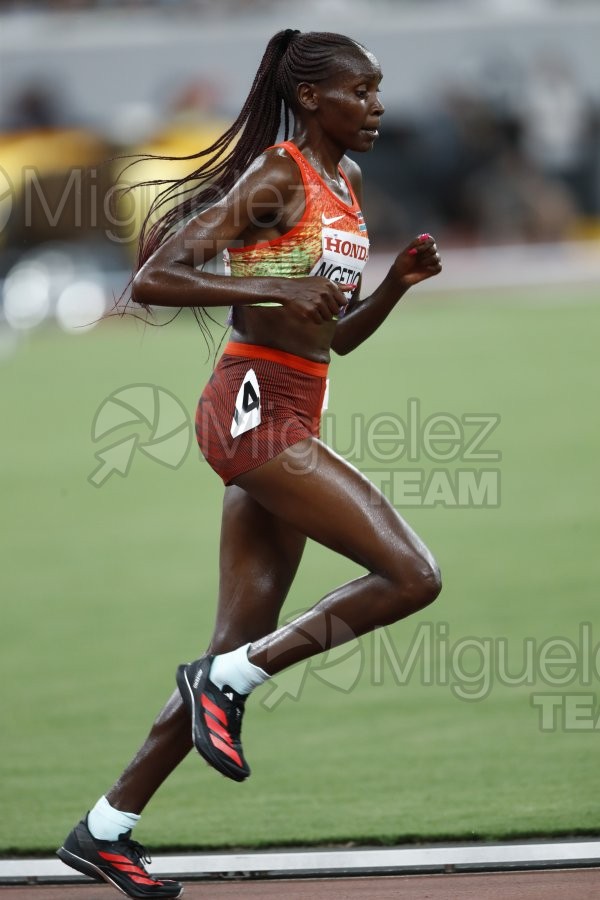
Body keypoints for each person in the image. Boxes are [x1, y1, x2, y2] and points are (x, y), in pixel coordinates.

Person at [57, 29, 443, 900]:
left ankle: (105, 827)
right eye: (362, 91)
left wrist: (395, 286)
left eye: (379, 91)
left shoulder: (345, 184)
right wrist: (270, 289)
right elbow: (154, 277)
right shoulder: (280, 176)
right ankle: (223, 683)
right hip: (254, 415)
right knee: (412, 575)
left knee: (234, 647)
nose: (377, 105)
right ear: (312, 98)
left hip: (298, 405)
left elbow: (331, 335)